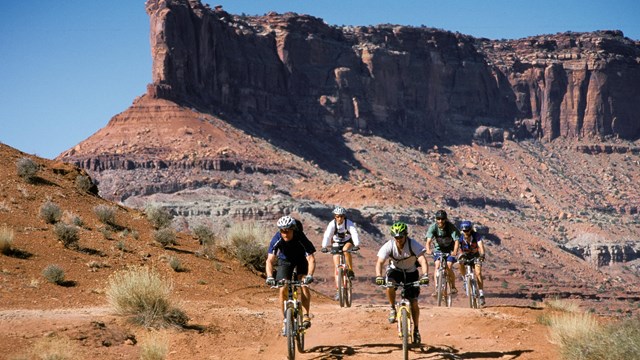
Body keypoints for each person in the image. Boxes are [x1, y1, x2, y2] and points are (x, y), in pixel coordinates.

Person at [375, 221, 430, 344]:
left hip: (411, 272)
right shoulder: (389, 245)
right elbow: (380, 262)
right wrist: (379, 276)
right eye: (396, 237)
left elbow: (422, 260)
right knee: (389, 285)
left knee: (414, 301)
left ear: (405, 235)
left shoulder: (413, 244)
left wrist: (425, 275)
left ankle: (416, 330)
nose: (398, 240)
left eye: (400, 237)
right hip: (395, 271)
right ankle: (392, 308)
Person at [265, 215, 316, 333]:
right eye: (282, 230)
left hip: (301, 260)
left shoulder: (300, 238)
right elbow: (270, 260)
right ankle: (285, 319)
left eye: (287, 230)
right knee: (283, 288)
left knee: (303, 284)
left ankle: (306, 315)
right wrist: (269, 276)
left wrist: (309, 275)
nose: (285, 233)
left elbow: (311, 259)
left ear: (293, 229)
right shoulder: (277, 238)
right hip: (285, 261)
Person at [321, 206, 361, 301]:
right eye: (338, 216)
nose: (340, 218)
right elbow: (327, 235)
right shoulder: (332, 224)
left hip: (347, 242)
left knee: (346, 250)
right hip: (336, 243)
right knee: (336, 267)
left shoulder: (349, 223)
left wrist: (357, 244)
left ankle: (350, 270)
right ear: (335, 216)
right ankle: (339, 290)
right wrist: (324, 246)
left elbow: (354, 234)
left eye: (342, 216)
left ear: (344, 217)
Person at [424, 210, 460, 296]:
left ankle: (453, 287)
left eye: (442, 219)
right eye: (438, 219)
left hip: (450, 250)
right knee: (437, 265)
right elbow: (428, 241)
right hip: (438, 249)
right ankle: (437, 289)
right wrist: (428, 250)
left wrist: (455, 251)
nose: (440, 221)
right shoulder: (433, 227)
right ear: (436, 219)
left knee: (449, 265)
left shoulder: (450, 227)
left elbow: (456, 241)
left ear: (445, 219)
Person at [456, 220, 487, 305]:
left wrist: (482, 255)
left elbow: (481, 246)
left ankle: (481, 294)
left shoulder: (476, 235)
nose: (466, 232)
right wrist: (455, 253)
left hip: (475, 256)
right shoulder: (460, 237)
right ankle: (464, 279)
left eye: (467, 230)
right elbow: (456, 246)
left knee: (478, 273)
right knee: (460, 263)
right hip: (465, 255)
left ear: (471, 229)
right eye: (464, 231)